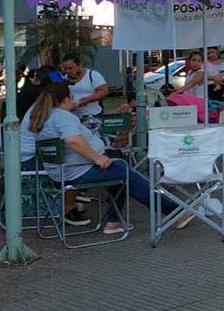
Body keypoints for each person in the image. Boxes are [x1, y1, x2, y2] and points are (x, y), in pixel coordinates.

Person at [24, 82, 193, 234]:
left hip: (60, 172)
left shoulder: (45, 118)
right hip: (77, 172)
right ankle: (174, 211)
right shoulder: (63, 116)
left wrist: (82, 128)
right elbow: (72, 140)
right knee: (125, 172)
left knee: (119, 173)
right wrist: (97, 158)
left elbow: (67, 138)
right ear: (66, 98)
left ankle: (114, 221)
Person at [60, 54, 108, 119]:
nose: (68, 71)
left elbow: (103, 91)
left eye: (71, 68)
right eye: (65, 69)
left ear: (79, 65)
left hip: (93, 115)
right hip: (72, 117)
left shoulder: (93, 75)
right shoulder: (62, 79)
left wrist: (88, 99)